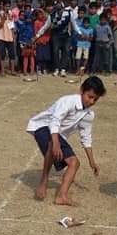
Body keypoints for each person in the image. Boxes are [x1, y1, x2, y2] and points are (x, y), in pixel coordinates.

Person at [25, 76, 105, 206]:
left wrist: (92, 161)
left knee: (74, 163)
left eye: (95, 99)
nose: (92, 101)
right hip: (42, 127)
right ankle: (44, 181)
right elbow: (55, 121)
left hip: (58, 135)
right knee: (52, 144)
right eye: (90, 97)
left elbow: (86, 137)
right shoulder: (68, 101)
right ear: (81, 90)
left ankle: (61, 196)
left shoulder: (89, 115)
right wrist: (56, 143)